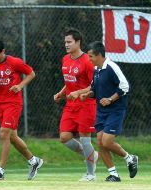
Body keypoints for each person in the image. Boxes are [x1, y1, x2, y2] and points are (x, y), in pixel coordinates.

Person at [0, 39, 43, 181]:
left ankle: (0, 170)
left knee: (4, 133)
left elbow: (31, 73)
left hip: (13, 103)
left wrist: (20, 86)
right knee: (12, 137)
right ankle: (34, 161)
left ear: (3, 51)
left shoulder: (14, 62)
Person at [79, 41, 138, 182]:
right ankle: (114, 175)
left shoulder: (112, 67)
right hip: (101, 111)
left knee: (106, 141)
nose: (89, 59)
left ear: (99, 55)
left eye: (91, 56)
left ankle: (130, 158)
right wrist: (88, 94)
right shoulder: (96, 70)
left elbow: (125, 87)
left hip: (115, 110)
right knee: (100, 143)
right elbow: (94, 89)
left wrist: (110, 100)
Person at [53, 28, 98, 182]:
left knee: (85, 140)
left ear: (78, 42)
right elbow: (69, 81)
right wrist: (61, 93)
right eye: (65, 42)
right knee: (64, 137)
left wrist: (79, 93)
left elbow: (95, 85)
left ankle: (91, 174)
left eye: (69, 42)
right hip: (70, 105)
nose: (66, 44)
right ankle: (92, 155)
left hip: (86, 104)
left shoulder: (87, 60)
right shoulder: (65, 59)